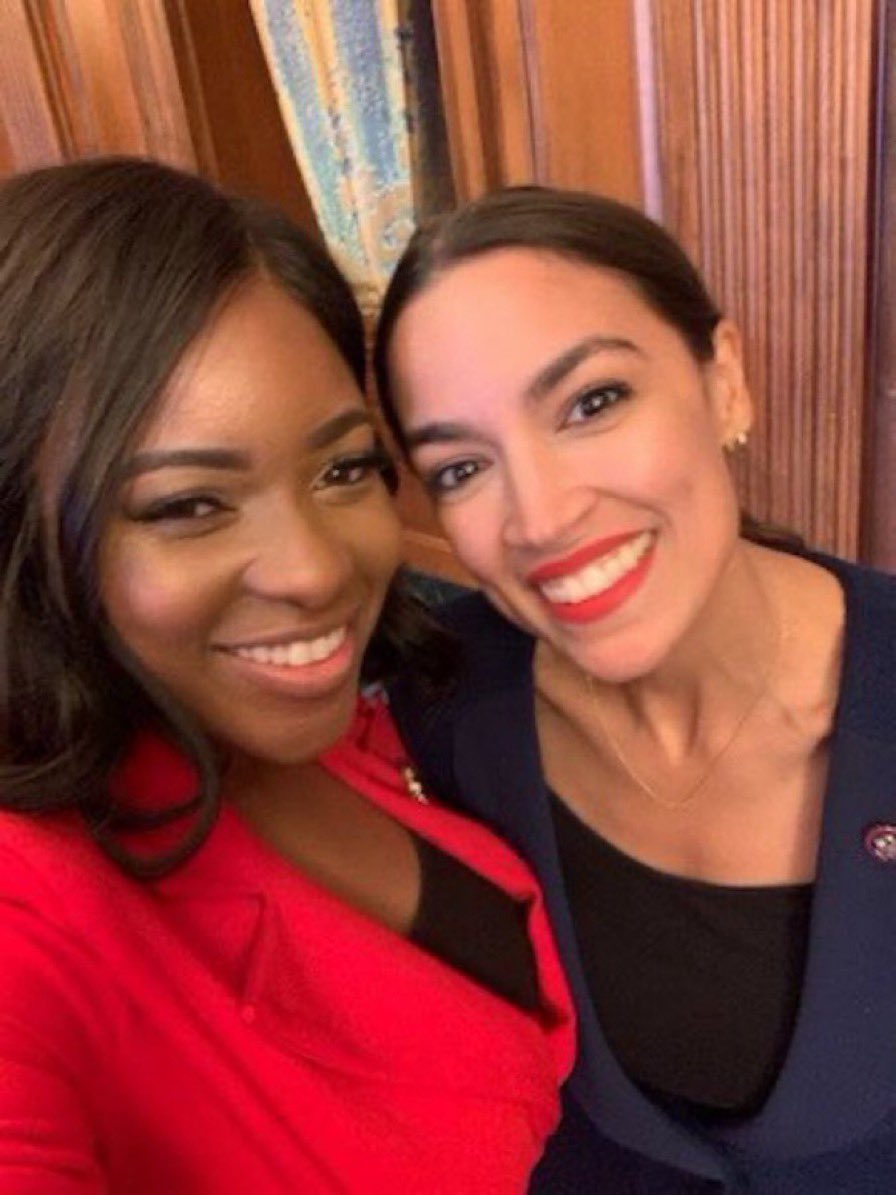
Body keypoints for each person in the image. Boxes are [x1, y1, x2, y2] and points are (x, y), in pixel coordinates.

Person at [0, 159, 575, 1194]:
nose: (316, 569)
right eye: (186, 504)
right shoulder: (29, 916)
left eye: (342, 468)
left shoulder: (365, 715)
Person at [373, 185, 896, 1192]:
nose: (540, 514)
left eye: (591, 402)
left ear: (723, 382)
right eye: (459, 467)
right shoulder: (440, 705)